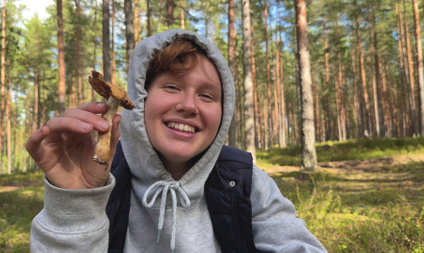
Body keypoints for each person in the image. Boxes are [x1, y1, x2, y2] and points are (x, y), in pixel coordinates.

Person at [26, 29, 326, 252]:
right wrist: (76, 206)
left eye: (207, 95)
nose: (190, 105)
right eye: (171, 86)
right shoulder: (100, 183)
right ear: (139, 99)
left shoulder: (245, 181)